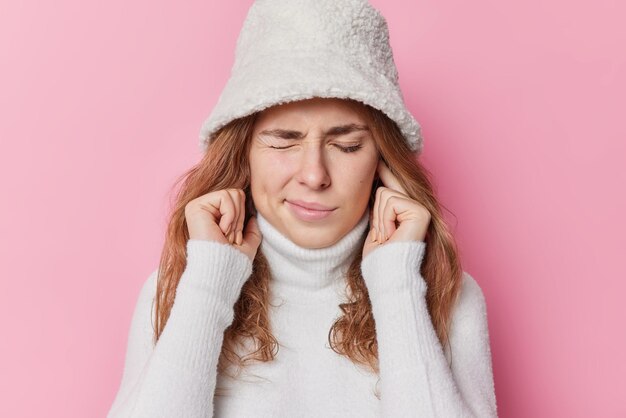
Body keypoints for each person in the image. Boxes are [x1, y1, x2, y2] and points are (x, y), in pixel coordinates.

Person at [107, 1, 497, 417]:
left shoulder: (447, 296)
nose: (314, 175)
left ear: (383, 159)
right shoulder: (175, 289)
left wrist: (398, 284)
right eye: (283, 140)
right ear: (244, 155)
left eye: (346, 145)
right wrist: (209, 282)